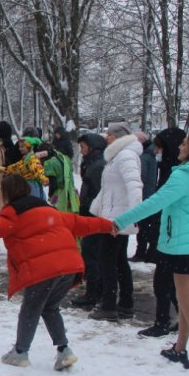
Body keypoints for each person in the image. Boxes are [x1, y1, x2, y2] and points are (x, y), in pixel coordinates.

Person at [0, 174, 114, 370]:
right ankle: (64, 350)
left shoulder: (13, 214)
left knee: (31, 309)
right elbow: (84, 223)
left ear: (6, 194)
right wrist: (111, 226)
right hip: (70, 267)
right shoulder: (50, 210)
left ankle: (20, 352)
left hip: (44, 270)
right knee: (50, 307)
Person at [112, 132, 189, 370]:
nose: (181, 146)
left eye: (185, 144)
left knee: (186, 300)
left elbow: (155, 202)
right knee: (185, 300)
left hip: (184, 244)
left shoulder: (184, 176)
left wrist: (121, 221)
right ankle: (180, 348)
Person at [88, 122, 142, 321]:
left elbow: (134, 185)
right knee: (118, 261)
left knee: (108, 260)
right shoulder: (117, 156)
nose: (106, 138)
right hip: (113, 216)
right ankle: (125, 304)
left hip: (117, 219)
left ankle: (109, 305)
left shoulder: (125, 156)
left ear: (117, 137)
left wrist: (134, 214)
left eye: (109, 135)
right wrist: (95, 209)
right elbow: (109, 189)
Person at [138, 127, 187, 337]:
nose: (157, 152)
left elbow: (161, 202)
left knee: (164, 281)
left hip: (172, 235)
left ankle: (164, 321)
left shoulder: (176, 172)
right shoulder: (171, 168)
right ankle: (180, 319)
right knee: (173, 283)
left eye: (160, 147)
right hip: (170, 233)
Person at [72, 133, 107, 310]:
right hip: (89, 213)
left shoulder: (98, 165)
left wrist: (89, 207)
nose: (81, 150)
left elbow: (99, 193)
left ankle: (94, 293)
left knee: (91, 254)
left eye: (83, 146)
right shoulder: (92, 163)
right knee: (90, 253)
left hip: (94, 215)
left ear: (92, 147)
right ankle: (94, 291)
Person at [131, 131, 158, 260]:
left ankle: (140, 252)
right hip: (151, 194)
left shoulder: (143, 157)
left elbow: (141, 177)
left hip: (144, 196)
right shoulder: (152, 155)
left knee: (142, 227)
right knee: (148, 226)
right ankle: (150, 251)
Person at [41, 142, 80, 213]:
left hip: (60, 195)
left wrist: (50, 194)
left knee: (60, 216)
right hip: (72, 192)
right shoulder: (64, 158)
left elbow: (53, 183)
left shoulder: (49, 163)